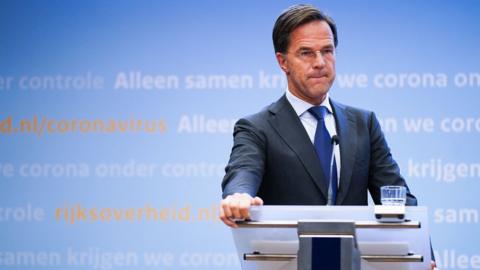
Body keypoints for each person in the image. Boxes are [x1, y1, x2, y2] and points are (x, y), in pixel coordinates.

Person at [219, 5, 436, 268]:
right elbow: (243, 171)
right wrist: (238, 196)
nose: (320, 62)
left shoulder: (363, 123)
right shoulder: (257, 127)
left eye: (327, 51)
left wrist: (425, 259)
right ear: (282, 61)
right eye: (306, 53)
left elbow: (399, 200)